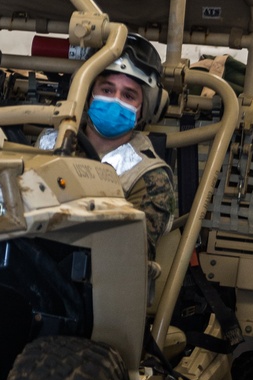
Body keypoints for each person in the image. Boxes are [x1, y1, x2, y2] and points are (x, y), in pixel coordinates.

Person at [38, 33, 175, 262]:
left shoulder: (150, 178)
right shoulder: (49, 142)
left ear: (144, 109)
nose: (114, 100)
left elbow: (129, 258)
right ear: (89, 94)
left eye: (128, 95)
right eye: (107, 90)